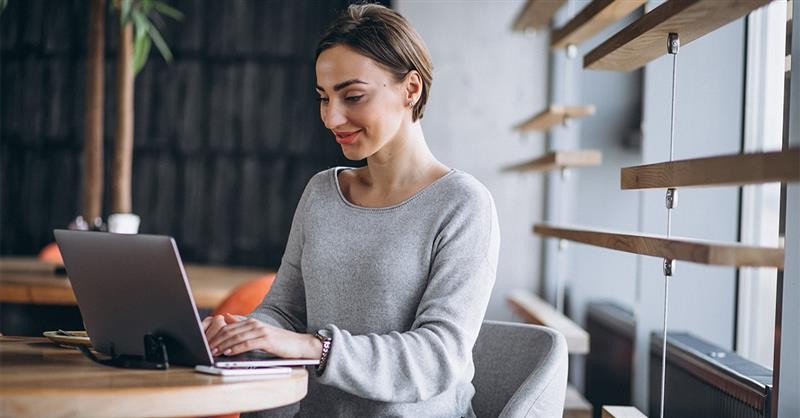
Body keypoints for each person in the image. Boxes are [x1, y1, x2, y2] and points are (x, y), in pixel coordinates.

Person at [203, 4, 500, 417]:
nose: (331, 117)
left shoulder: (463, 205)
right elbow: (285, 311)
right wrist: (242, 332)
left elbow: (438, 356)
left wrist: (317, 348)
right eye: (323, 98)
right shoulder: (322, 193)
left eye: (353, 96)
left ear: (411, 89)